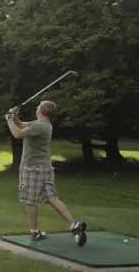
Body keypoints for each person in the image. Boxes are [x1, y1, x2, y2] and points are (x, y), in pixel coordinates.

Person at [5, 100, 87, 246]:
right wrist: (15, 117)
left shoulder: (40, 126)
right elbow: (22, 125)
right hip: (44, 168)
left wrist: (9, 119)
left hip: (32, 168)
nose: (36, 108)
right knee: (51, 197)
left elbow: (17, 134)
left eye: (38, 106)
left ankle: (34, 232)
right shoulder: (42, 124)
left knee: (30, 201)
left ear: (41, 110)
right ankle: (74, 225)